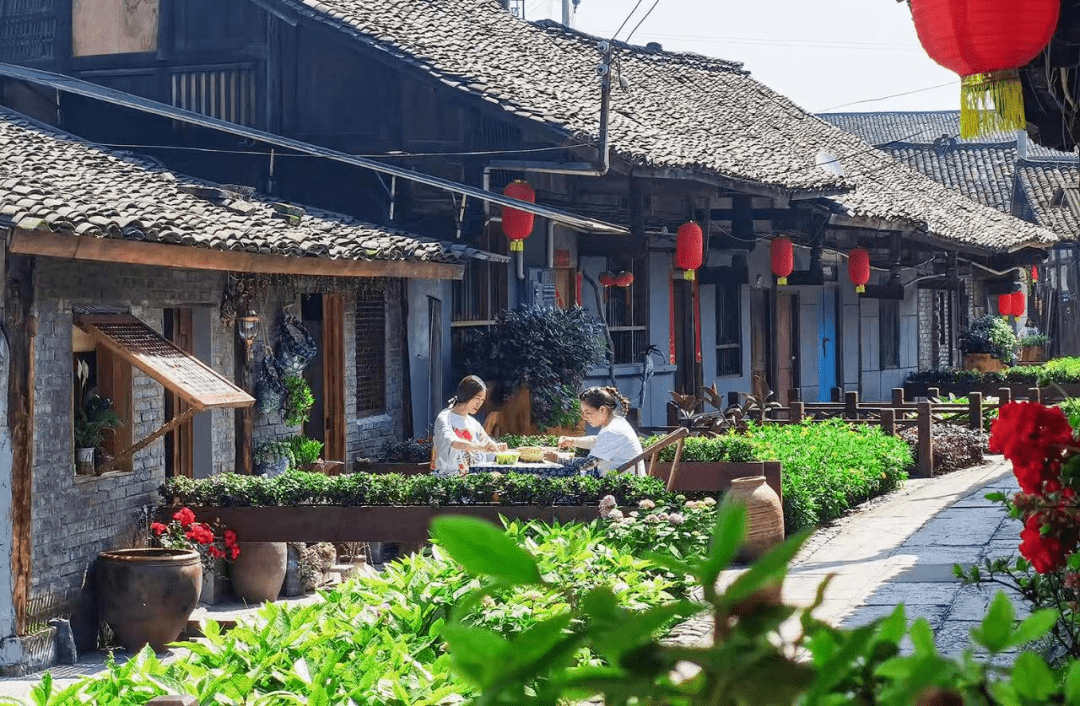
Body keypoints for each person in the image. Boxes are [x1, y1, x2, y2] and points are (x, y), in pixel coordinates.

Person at [551, 386, 645, 476]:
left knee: (550, 472)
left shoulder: (612, 431)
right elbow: (599, 441)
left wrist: (558, 459)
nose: (584, 417)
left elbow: (588, 464)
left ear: (602, 409)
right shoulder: (617, 422)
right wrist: (572, 441)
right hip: (621, 478)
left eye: (587, 412)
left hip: (623, 486)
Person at [431, 375, 507, 476]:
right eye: (477, 398)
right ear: (466, 395)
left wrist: (497, 447)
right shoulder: (445, 418)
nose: (479, 404)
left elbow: (487, 445)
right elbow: (452, 442)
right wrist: (481, 448)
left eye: (482, 400)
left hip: (473, 479)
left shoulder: (474, 424)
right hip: (449, 479)